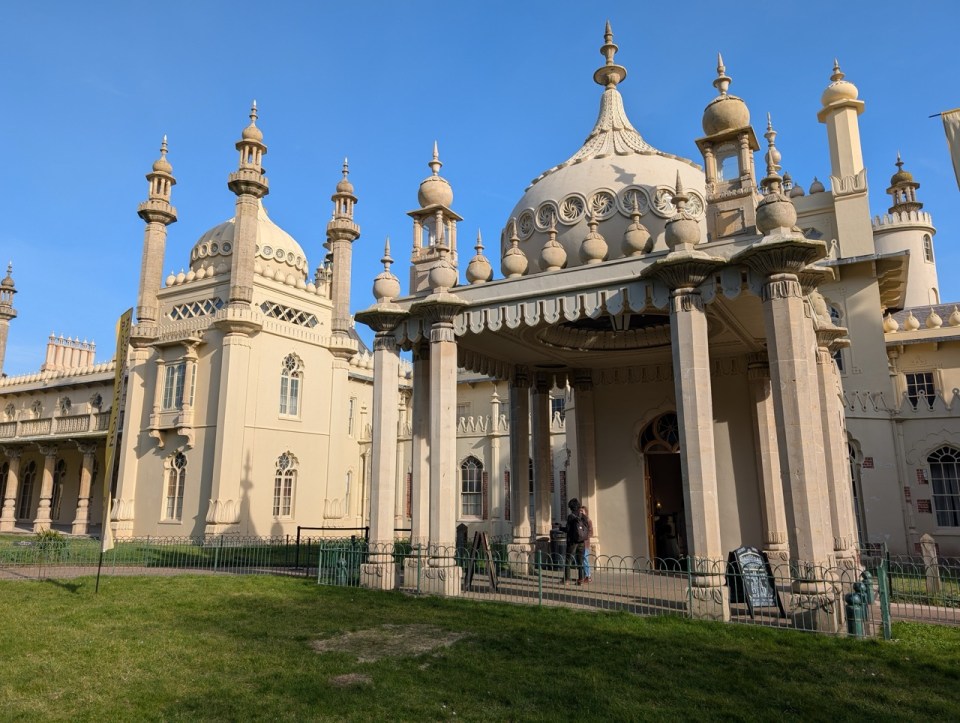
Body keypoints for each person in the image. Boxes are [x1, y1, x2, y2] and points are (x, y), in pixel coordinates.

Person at [564, 498, 585, 585]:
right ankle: (581, 579)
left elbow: (568, 529)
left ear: (571, 507)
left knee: (568, 560)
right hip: (581, 541)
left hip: (572, 541)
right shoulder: (582, 516)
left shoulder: (571, 516)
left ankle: (567, 579)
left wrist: (560, 528)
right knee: (580, 560)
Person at [580, 505, 594, 583]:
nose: (580, 512)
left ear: (586, 512)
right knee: (581, 560)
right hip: (580, 544)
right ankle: (583, 576)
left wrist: (584, 536)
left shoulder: (588, 521)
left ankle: (588, 576)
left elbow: (591, 533)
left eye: (582, 511)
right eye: (580, 511)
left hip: (585, 544)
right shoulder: (579, 521)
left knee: (585, 560)